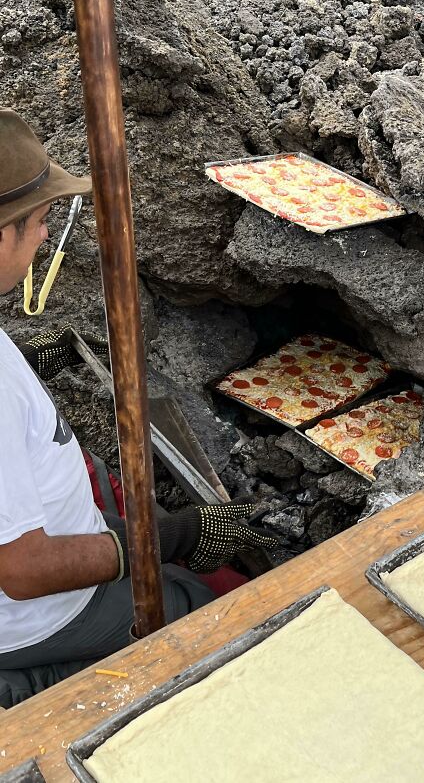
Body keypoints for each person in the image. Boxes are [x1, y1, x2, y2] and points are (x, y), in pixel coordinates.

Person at [0, 109, 274, 708]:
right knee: (213, 619)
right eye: (40, 221)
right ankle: (26, 692)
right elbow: (22, 571)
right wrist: (168, 538)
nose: (47, 236)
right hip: (33, 613)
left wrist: (28, 371)